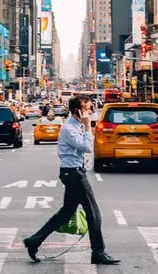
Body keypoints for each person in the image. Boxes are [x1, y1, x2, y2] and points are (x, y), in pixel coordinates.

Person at [23, 96, 119, 265]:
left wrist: (86, 126)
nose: (90, 112)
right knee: (93, 214)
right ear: (78, 111)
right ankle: (98, 252)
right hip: (73, 174)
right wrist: (88, 125)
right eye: (88, 108)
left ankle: (33, 241)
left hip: (74, 172)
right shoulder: (69, 128)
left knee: (66, 213)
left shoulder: (77, 126)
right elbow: (87, 147)